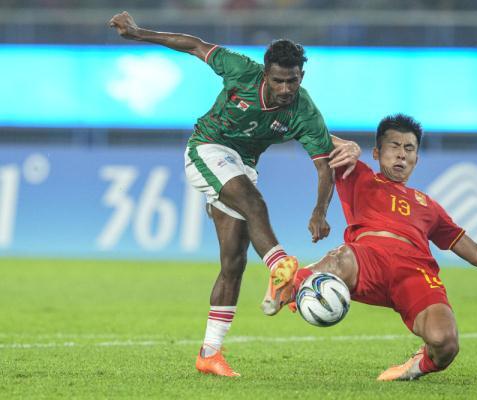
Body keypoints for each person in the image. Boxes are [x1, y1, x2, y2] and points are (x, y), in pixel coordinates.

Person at [108, 11, 360, 377]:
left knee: (234, 262)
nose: (285, 89)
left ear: (301, 77)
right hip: (207, 148)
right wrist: (137, 33)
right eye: (278, 81)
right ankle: (281, 268)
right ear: (265, 73)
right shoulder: (240, 69)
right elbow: (194, 45)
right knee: (253, 202)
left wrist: (319, 212)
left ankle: (209, 353)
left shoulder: (304, 111)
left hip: (242, 166)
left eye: (292, 81)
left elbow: (324, 166)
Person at [284, 113, 477, 381]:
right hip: (368, 262)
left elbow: (475, 251)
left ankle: (417, 365)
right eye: (394, 146)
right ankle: (290, 285)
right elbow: (313, 134)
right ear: (377, 152)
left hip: (415, 274)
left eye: (409, 148)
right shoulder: (358, 175)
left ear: (417, 158)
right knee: (342, 256)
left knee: (446, 342)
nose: (401, 154)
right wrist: (347, 145)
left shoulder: (429, 206)